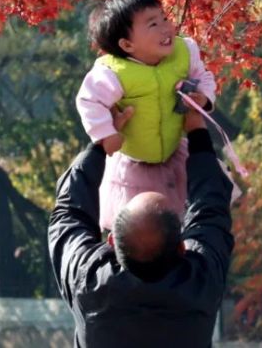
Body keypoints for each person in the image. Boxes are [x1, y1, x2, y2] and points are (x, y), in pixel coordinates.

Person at [49, 104, 234, 347]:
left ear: (112, 242)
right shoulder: (201, 280)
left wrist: (100, 143)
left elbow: (69, 214)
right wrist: (197, 133)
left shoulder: (89, 280)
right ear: (181, 247)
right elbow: (210, 210)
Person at [76, 0, 217, 231]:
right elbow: (89, 100)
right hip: (134, 168)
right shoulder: (114, 72)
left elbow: (203, 76)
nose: (166, 28)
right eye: (153, 24)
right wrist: (106, 134)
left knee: (190, 218)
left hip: (175, 155)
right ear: (127, 45)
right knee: (144, 227)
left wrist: (203, 98)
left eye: (164, 18)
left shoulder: (184, 52)